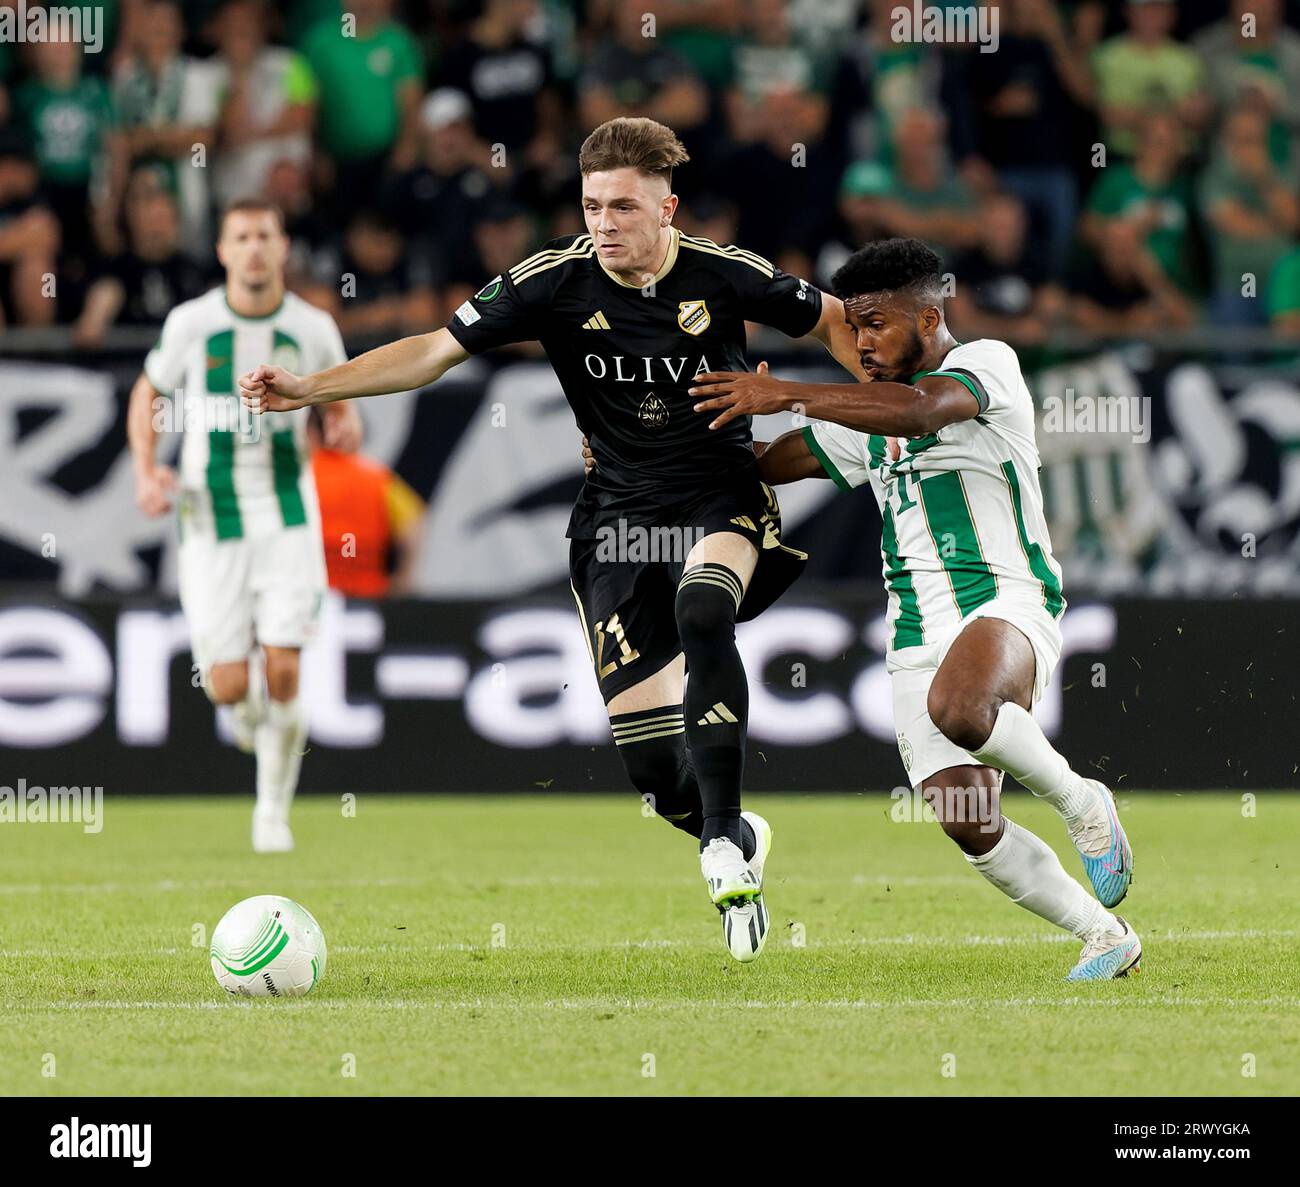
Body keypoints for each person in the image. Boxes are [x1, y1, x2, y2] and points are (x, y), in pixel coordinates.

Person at [239, 117, 865, 962]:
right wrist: (310, 387)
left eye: (623, 208)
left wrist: (875, 406)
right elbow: (433, 351)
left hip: (720, 492)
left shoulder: (724, 272)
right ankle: (730, 826)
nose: (604, 224)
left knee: (704, 607)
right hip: (614, 519)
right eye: (591, 206)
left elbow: (831, 318)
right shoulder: (554, 280)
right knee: (652, 773)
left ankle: (721, 844)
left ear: (668, 209)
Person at [688, 238, 1139, 981]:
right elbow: (759, 466)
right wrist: (629, 460)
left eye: (876, 325)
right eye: (855, 328)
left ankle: (1083, 802)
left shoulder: (984, 365)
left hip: (1005, 601)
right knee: (968, 820)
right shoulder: (865, 417)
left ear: (929, 319)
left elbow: (923, 410)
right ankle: (1103, 934)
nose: (861, 344)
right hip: (913, 636)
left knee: (961, 707)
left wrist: (791, 392)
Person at [127, 198, 361, 853]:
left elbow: (342, 408)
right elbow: (149, 392)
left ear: (283, 246)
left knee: (285, 668)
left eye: (265, 235)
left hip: (287, 510)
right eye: (241, 237)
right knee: (229, 684)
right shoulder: (191, 322)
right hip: (210, 515)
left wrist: (344, 424)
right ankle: (246, 716)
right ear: (224, 250)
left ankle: (271, 812)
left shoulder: (313, 326)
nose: (254, 248)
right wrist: (147, 470)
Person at [308, 407, 425, 598]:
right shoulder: (379, 478)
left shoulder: (300, 476)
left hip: (311, 592)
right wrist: (404, 577)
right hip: (367, 594)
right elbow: (413, 525)